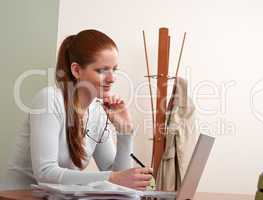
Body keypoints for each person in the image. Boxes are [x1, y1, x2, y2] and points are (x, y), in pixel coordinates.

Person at [0, 29, 152, 190]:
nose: (112, 78)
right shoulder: (49, 100)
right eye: (102, 70)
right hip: (18, 195)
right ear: (76, 70)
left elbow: (120, 181)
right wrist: (111, 178)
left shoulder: (98, 113)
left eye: (114, 69)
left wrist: (125, 133)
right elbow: (45, 173)